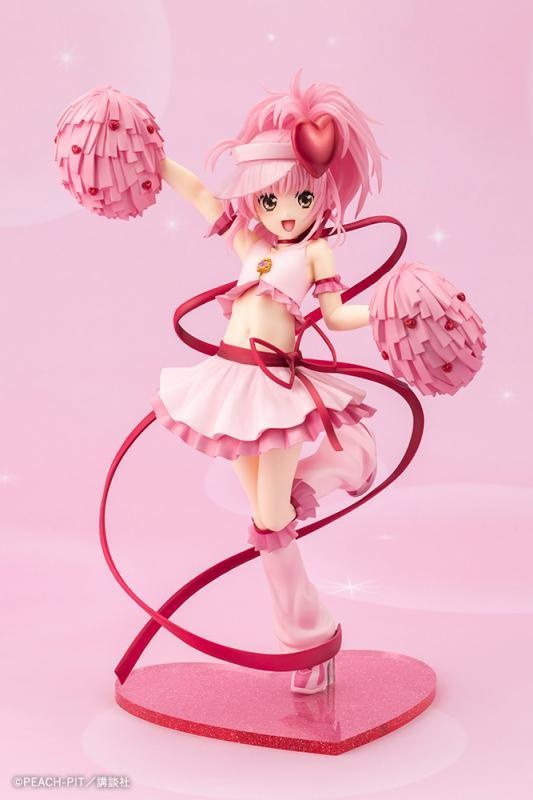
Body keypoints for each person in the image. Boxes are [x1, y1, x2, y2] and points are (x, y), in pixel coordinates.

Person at [150, 69, 382, 693]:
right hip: (230, 386)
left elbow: (338, 316)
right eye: (271, 200)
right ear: (255, 199)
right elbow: (201, 195)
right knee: (264, 517)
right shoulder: (250, 242)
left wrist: (389, 311)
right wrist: (152, 156)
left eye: (301, 199)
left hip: (276, 389)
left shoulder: (314, 254)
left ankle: (308, 640)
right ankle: (313, 635)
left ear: (321, 196)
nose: (285, 213)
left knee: (271, 512)